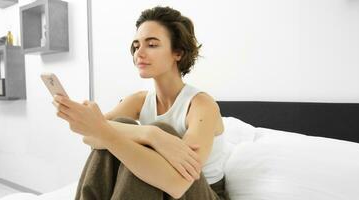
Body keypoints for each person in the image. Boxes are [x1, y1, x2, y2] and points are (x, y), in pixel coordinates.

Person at [53, 6, 228, 200]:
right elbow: (91, 137)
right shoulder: (138, 100)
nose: (139, 53)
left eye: (151, 45)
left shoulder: (202, 105)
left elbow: (178, 184)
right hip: (162, 189)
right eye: (136, 46)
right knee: (125, 125)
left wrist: (152, 134)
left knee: (156, 131)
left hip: (201, 193)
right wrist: (149, 135)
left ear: (177, 52)